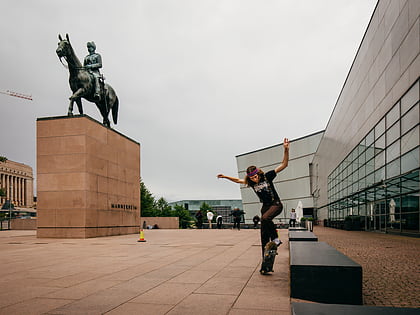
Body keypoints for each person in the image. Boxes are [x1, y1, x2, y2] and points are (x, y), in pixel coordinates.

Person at [218, 138, 289, 259]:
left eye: (255, 177)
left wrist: (286, 150)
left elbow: (284, 164)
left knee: (266, 218)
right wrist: (225, 176)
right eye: (252, 178)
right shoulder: (250, 182)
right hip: (265, 206)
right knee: (263, 232)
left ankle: (276, 239)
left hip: (276, 204)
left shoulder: (267, 176)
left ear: (258, 174)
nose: (254, 180)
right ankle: (265, 259)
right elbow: (237, 180)